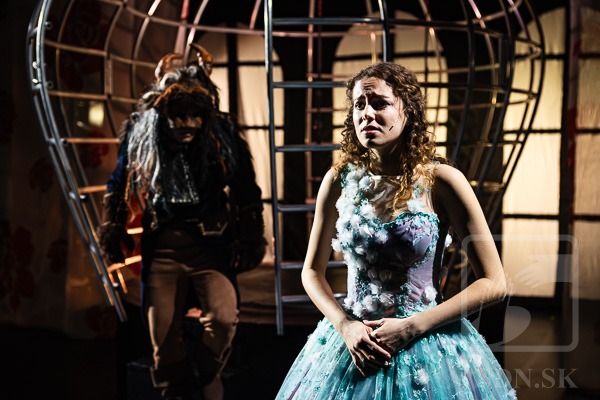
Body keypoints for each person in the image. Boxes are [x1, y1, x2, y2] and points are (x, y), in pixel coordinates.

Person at [276, 62, 515, 399]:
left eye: (380, 103)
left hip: (425, 340)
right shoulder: (338, 180)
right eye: (359, 105)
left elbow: (495, 282)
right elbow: (311, 272)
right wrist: (345, 326)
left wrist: (412, 326)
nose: (367, 114)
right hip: (356, 341)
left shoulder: (442, 181)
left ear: (408, 111)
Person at [98, 47, 265, 400]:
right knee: (162, 338)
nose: (187, 124)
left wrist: (250, 234)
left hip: (211, 246)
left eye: (194, 115)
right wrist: (113, 226)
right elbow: (119, 180)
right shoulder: (143, 132)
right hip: (163, 248)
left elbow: (245, 187)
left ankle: (196, 380)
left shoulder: (221, 133)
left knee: (223, 319)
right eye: (178, 115)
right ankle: (177, 389)